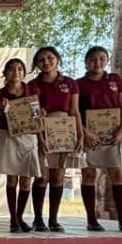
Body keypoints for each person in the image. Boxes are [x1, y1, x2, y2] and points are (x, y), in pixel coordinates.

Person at [78, 46, 122, 233]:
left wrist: (121, 131)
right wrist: (85, 133)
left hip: (113, 134)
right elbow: (74, 112)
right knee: (88, 174)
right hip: (89, 136)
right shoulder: (78, 84)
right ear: (86, 62)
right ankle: (91, 220)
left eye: (102, 58)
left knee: (118, 173)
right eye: (93, 59)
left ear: (107, 61)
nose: (97, 62)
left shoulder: (115, 80)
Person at [31, 46, 85, 233]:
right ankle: (38, 219)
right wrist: (40, 138)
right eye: (41, 60)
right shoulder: (33, 85)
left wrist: (80, 135)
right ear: (36, 64)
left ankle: (53, 219)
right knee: (42, 177)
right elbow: (33, 115)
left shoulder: (70, 83)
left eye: (50, 58)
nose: (46, 62)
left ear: (57, 59)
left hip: (64, 132)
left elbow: (74, 111)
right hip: (42, 132)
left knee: (58, 177)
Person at [0, 58, 42, 233]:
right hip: (8, 137)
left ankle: (20, 217)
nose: (16, 72)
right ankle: (13, 219)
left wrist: (41, 116)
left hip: (28, 137)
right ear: (5, 73)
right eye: (11, 69)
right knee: (12, 178)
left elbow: (38, 118)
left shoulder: (33, 91)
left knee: (26, 179)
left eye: (19, 69)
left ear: (24, 73)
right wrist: (1, 108)